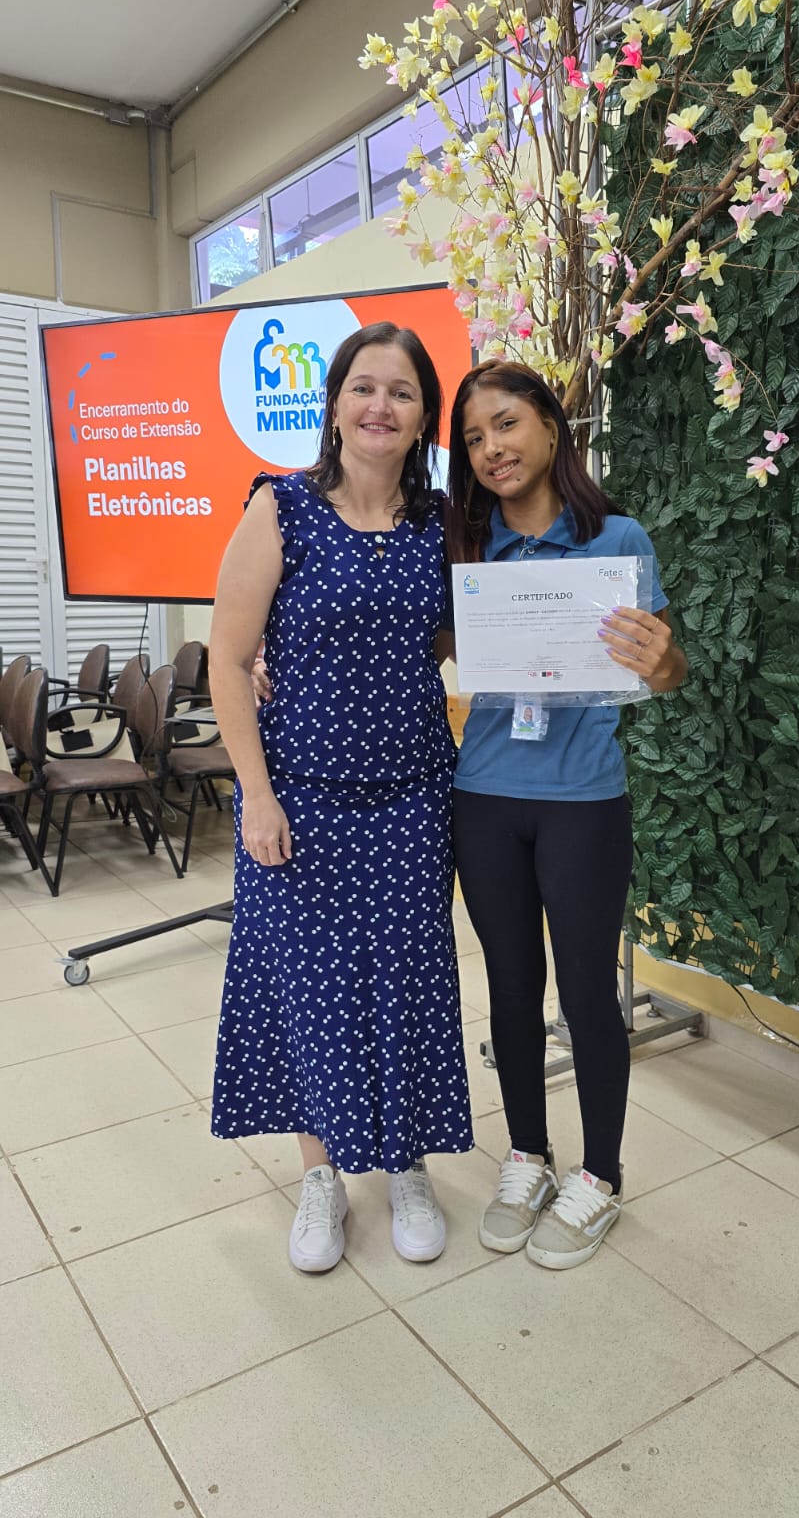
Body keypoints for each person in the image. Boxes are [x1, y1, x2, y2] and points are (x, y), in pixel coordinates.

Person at [209, 321, 473, 1275]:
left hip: (412, 799)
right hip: (300, 804)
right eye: (364, 387)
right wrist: (257, 795)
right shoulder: (281, 509)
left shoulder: (440, 523)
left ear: (423, 417)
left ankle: (405, 1164)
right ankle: (320, 1176)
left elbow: (455, 641)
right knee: (307, 992)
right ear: (334, 405)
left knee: (407, 983)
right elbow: (229, 660)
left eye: (402, 392)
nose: (380, 407)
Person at [445, 359, 687, 1270]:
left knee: (587, 992)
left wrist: (662, 660)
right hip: (484, 795)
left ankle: (601, 1176)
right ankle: (527, 1158)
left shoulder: (617, 539)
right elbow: (416, 643)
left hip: (584, 800)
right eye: (474, 438)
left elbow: (668, 672)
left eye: (506, 424)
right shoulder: (467, 548)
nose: (492, 449)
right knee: (510, 986)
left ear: (551, 426)